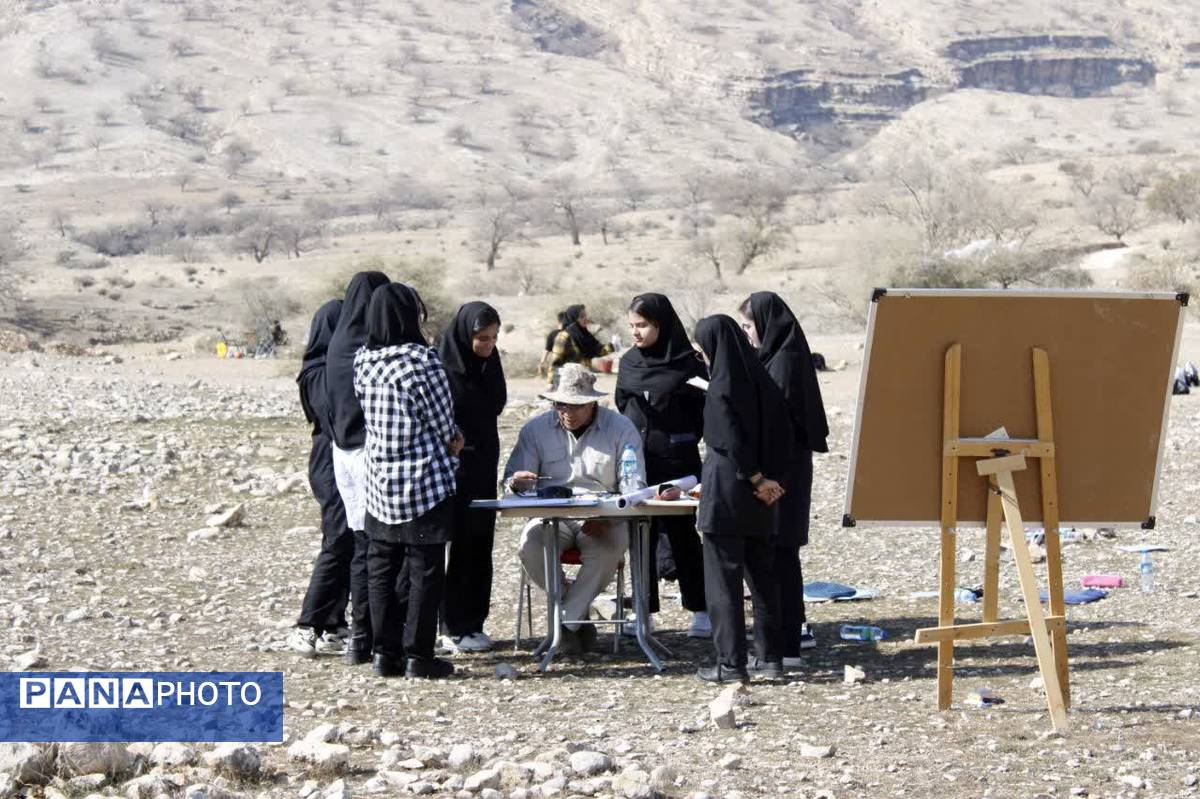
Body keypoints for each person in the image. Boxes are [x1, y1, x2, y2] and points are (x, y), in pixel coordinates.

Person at [354, 283, 464, 679]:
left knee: (381, 566)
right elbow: (441, 420)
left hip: (379, 479)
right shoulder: (422, 361)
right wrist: (455, 441)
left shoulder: (363, 361)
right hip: (423, 479)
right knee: (425, 568)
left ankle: (385, 653)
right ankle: (418, 655)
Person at [503, 363, 645, 655]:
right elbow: (513, 483)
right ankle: (577, 618)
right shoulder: (535, 430)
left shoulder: (621, 429)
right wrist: (517, 483)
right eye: (560, 405)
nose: (567, 412)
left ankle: (564, 624)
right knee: (530, 546)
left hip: (602, 515)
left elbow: (633, 485)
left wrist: (608, 517)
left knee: (609, 549)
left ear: (593, 402)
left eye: (575, 405)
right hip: (550, 514)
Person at [693, 314, 793, 683]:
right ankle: (770, 660)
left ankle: (730, 664)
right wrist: (772, 483)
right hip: (762, 496)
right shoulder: (764, 382)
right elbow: (785, 438)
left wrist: (753, 476)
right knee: (763, 579)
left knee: (724, 582)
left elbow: (727, 441)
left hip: (727, 491)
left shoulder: (721, 387)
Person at [740, 292, 829, 664]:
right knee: (780, 556)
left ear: (765, 324)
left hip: (782, 474)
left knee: (778, 555)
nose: (746, 334)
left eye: (748, 326)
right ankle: (785, 641)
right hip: (783, 470)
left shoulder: (786, 363)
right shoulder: (776, 357)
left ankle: (785, 643)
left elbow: (776, 424)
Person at [615, 293, 710, 638]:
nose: (636, 333)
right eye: (632, 326)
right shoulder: (629, 363)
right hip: (637, 464)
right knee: (641, 536)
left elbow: (703, 412)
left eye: (642, 325)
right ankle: (643, 611)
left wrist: (677, 438)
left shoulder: (688, 363)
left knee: (685, 536)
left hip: (679, 462)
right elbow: (623, 404)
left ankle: (700, 610)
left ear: (661, 324)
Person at [325, 270, 390, 664]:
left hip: (342, 452)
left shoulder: (336, 346)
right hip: (368, 453)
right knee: (379, 549)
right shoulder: (370, 349)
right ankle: (376, 637)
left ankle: (359, 639)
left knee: (361, 547)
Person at [437, 302, 507, 653]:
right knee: (452, 545)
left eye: (494, 338)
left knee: (479, 544)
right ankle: (449, 624)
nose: (488, 345)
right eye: (481, 338)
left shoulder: (489, 366)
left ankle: (472, 621)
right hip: (452, 469)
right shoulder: (444, 368)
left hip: (483, 466)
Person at [288, 300, 352, 657]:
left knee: (349, 541)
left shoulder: (330, 367)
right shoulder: (319, 372)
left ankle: (334, 622)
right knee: (338, 539)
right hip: (330, 458)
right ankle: (308, 623)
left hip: (337, 457)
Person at [546, 304, 613, 385]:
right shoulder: (564, 336)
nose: (585, 318)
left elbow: (597, 351)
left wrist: (612, 346)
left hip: (585, 382)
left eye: (585, 316)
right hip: (568, 383)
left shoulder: (585, 335)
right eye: (581, 316)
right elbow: (555, 362)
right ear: (573, 318)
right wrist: (550, 382)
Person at [538, 311, 569, 379]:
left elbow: (546, 350)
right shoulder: (571, 333)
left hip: (555, 366)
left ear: (558, 321)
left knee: (551, 386)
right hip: (569, 367)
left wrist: (542, 363)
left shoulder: (552, 334)